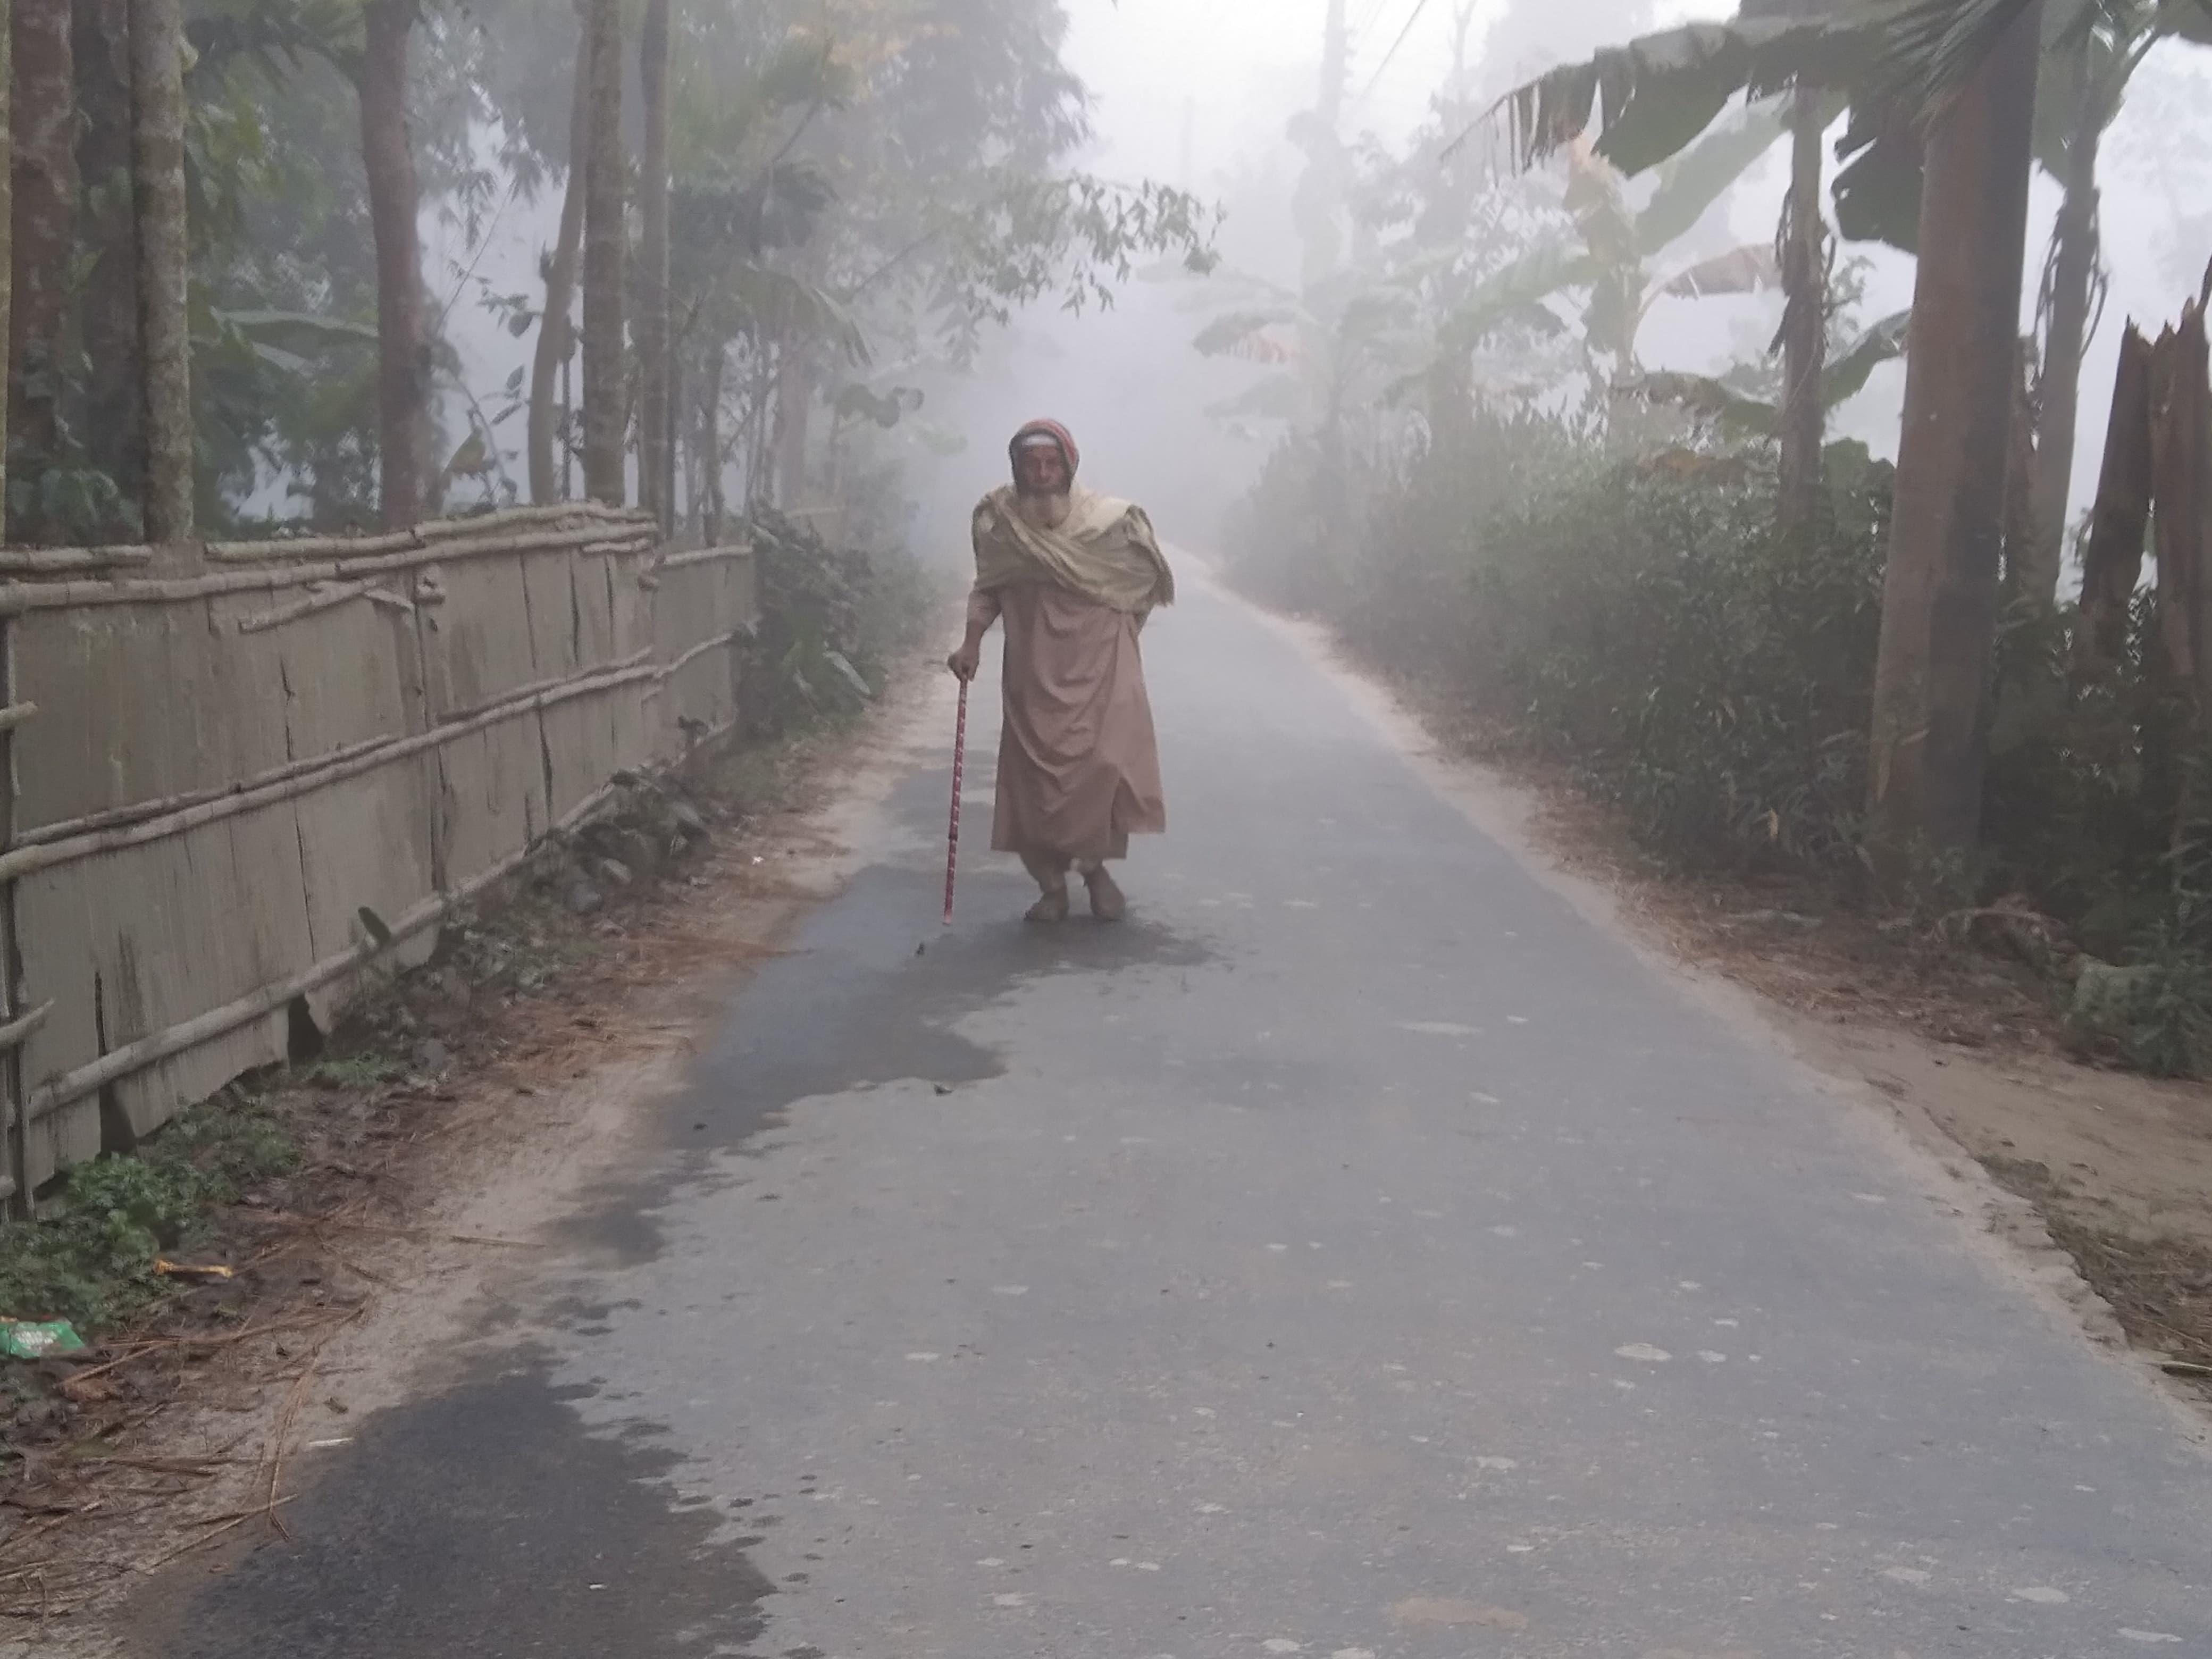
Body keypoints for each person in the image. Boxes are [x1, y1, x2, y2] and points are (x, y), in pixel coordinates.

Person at [948, 420, 1174, 923]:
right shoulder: (1000, 524)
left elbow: (1140, 586)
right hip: (1031, 677)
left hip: (1103, 671)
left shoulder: (1113, 524)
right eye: (1033, 466)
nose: (1044, 475)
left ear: (1069, 467)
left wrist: (1119, 634)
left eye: (1052, 465)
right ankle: (1051, 887)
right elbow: (988, 587)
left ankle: (1094, 871)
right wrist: (970, 643)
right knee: (1035, 786)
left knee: (1101, 770)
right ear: (1018, 470)